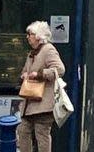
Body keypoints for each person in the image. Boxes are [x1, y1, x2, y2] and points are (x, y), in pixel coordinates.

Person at [18, 20, 66, 152]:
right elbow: (25, 71)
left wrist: (39, 74)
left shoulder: (48, 49)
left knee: (42, 135)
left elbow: (60, 69)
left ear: (39, 36)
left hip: (43, 103)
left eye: (30, 34)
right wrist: (24, 75)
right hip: (29, 102)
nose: (27, 36)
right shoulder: (32, 53)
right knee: (23, 132)